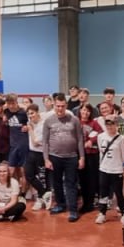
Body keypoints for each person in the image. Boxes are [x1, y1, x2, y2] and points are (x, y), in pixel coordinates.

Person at [42, 93, 85, 222]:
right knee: (57, 183)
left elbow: (80, 140)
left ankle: (73, 210)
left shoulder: (74, 120)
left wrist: (82, 157)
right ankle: (60, 204)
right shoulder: (48, 121)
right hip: (54, 156)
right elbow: (45, 142)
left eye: (62, 106)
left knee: (71, 184)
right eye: (57, 106)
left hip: (71, 157)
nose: (60, 109)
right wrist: (46, 159)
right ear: (54, 105)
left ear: (66, 106)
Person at [95, 116, 124, 224]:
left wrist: (117, 165)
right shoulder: (101, 137)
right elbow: (101, 151)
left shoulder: (121, 138)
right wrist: (103, 164)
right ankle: (102, 213)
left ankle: (123, 212)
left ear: (116, 125)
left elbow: (123, 155)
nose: (109, 127)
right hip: (104, 169)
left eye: (112, 124)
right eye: (107, 124)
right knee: (103, 192)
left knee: (118, 192)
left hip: (116, 170)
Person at [1, 94, 31, 203]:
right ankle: (13, 192)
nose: (11, 106)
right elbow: (1, 113)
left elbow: (34, 121)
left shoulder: (23, 112)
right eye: (9, 104)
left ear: (16, 102)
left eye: (13, 103)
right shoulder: (6, 111)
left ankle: (23, 194)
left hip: (23, 145)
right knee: (11, 170)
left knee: (23, 171)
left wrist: (28, 127)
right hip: (13, 145)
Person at [25, 104, 51, 210]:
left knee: (42, 178)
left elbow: (36, 142)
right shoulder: (30, 122)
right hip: (31, 152)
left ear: (37, 112)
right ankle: (45, 194)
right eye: (28, 114)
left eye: (32, 113)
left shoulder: (43, 124)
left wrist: (30, 130)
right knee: (29, 175)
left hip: (41, 153)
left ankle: (41, 199)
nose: (30, 116)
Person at [78, 104, 103, 213]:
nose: (85, 112)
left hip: (92, 155)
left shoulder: (94, 123)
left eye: (88, 111)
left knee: (92, 179)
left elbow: (101, 133)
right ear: (80, 111)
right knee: (82, 179)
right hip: (80, 154)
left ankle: (90, 203)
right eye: (84, 110)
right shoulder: (76, 122)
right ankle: (85, 202)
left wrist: (91, 141)